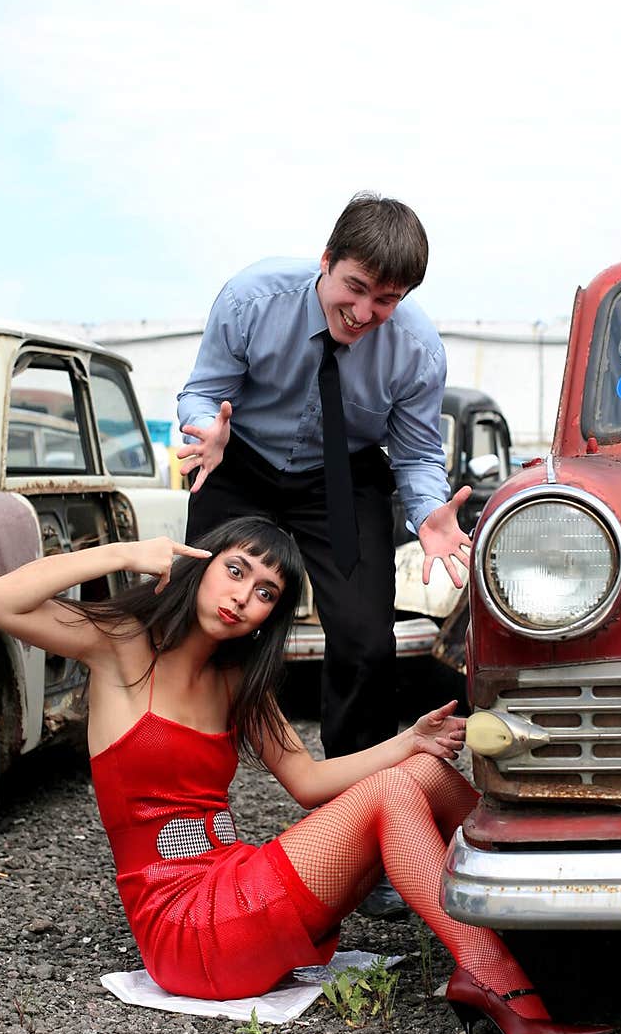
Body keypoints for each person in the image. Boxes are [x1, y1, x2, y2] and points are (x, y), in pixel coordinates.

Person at [0, 517, 612, 1034]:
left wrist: (408, 741)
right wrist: (126, 554)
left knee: (417, 772)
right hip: (186, 928)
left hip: (236, 888)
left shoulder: (240, 686)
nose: (244, 595)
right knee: (393, 794)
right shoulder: (122, 650)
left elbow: (308, 782)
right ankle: (498, 979)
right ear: (200, 563)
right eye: (236, 570)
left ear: (269, 618)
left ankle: (541, 903)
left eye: (266, 591)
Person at [176, 191, 467, 917]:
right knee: (192, 629)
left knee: (367, 644)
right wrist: (198, 431)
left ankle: (358, 824)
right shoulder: (252, 298)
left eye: (387, 299)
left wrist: (429, 511)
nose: (365, 312)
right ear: (326, 262)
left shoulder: (418, 348)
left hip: (345, 475)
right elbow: (206, 390)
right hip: (237, 462)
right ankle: (184, 816)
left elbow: (419, 450)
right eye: (355, 288)